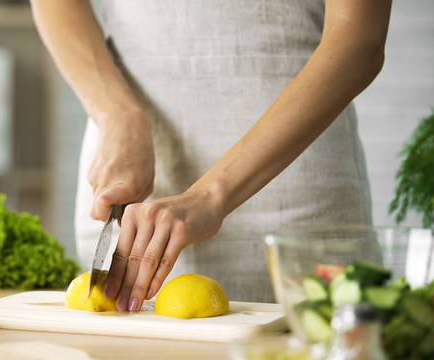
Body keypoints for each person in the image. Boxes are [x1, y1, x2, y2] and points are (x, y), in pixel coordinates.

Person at [31, 0, 391, 310]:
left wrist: (211, 194)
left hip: (293, 189)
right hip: (129, 184)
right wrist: (117, 115)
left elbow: (359, 39)